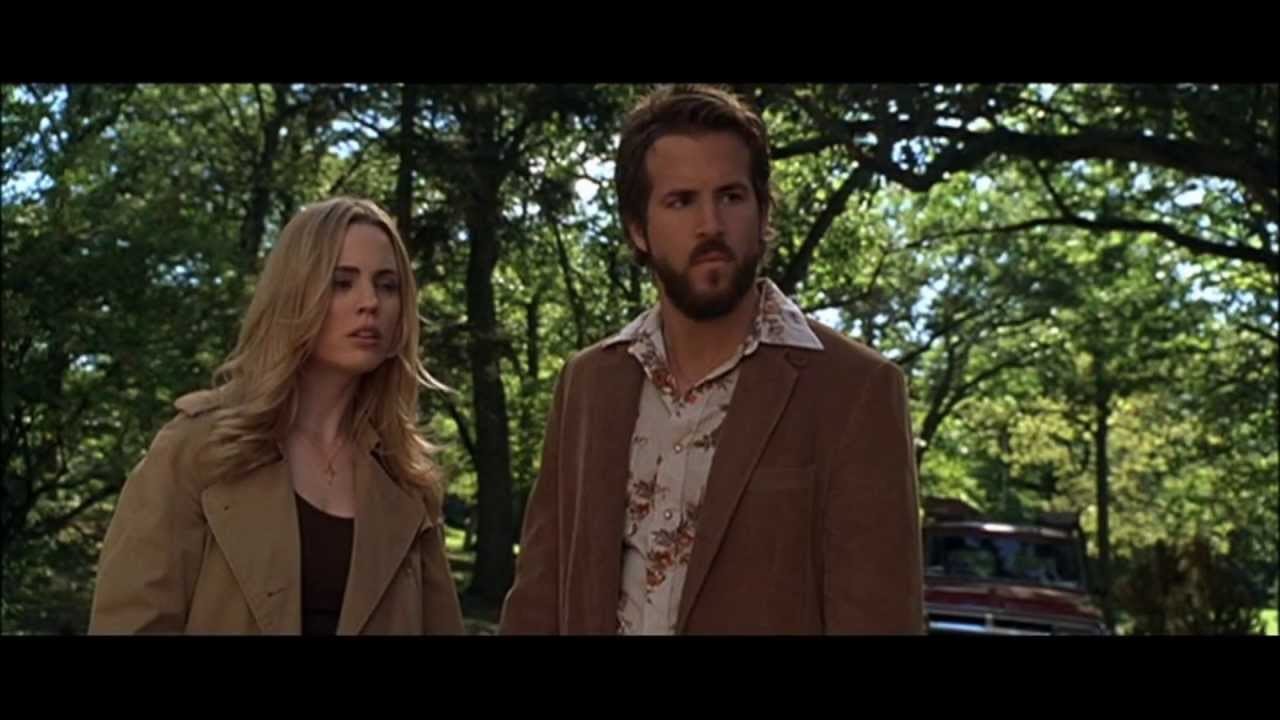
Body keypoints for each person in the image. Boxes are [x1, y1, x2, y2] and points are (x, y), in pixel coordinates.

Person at [500, 85, 923, 634]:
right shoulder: (588, 384)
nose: (711, 225)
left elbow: (880, 619)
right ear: (637, 229)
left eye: (731, 196)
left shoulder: (854, 390)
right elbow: (538, 598)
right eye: (681, 201)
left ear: (762, 211)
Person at [89, 197, 465, 635]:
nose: (370, 303)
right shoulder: (200, 450)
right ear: (294, 295)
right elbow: (131, 622)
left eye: (387, 286)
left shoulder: (405, 478)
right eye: (342, 283)